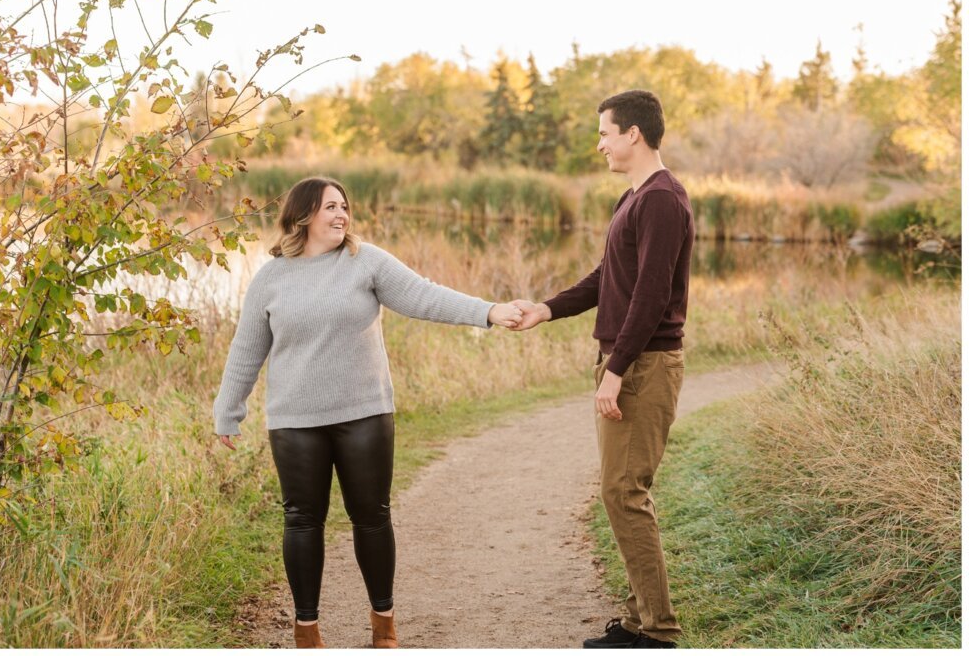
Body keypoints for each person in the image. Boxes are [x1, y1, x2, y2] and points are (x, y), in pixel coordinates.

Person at [213, 177, 523, 649]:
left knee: (372, 517)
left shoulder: (366, 261)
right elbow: (246, 349)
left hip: (363, 413)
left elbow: (425, 296)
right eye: (329, 207)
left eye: (344, 206)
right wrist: (227, 410)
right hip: (294, 420)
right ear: (302, 217)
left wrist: (489, 310)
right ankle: (307, 630)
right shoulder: (270, 278)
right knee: (301, 520)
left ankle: (383, 624)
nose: (341, 215)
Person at [512, 90, 694, 649]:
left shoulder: (662, 200)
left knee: (625, 492)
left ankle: (657, 633)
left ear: (633, 134)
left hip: (643, 365)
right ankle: (641, 622)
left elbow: (651, 295)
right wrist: (548, 308)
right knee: (621, 491)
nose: (600, 145)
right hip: (627, 362)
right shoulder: (632, 198)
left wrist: (616, 369)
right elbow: (606, 278)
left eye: (605, 133)